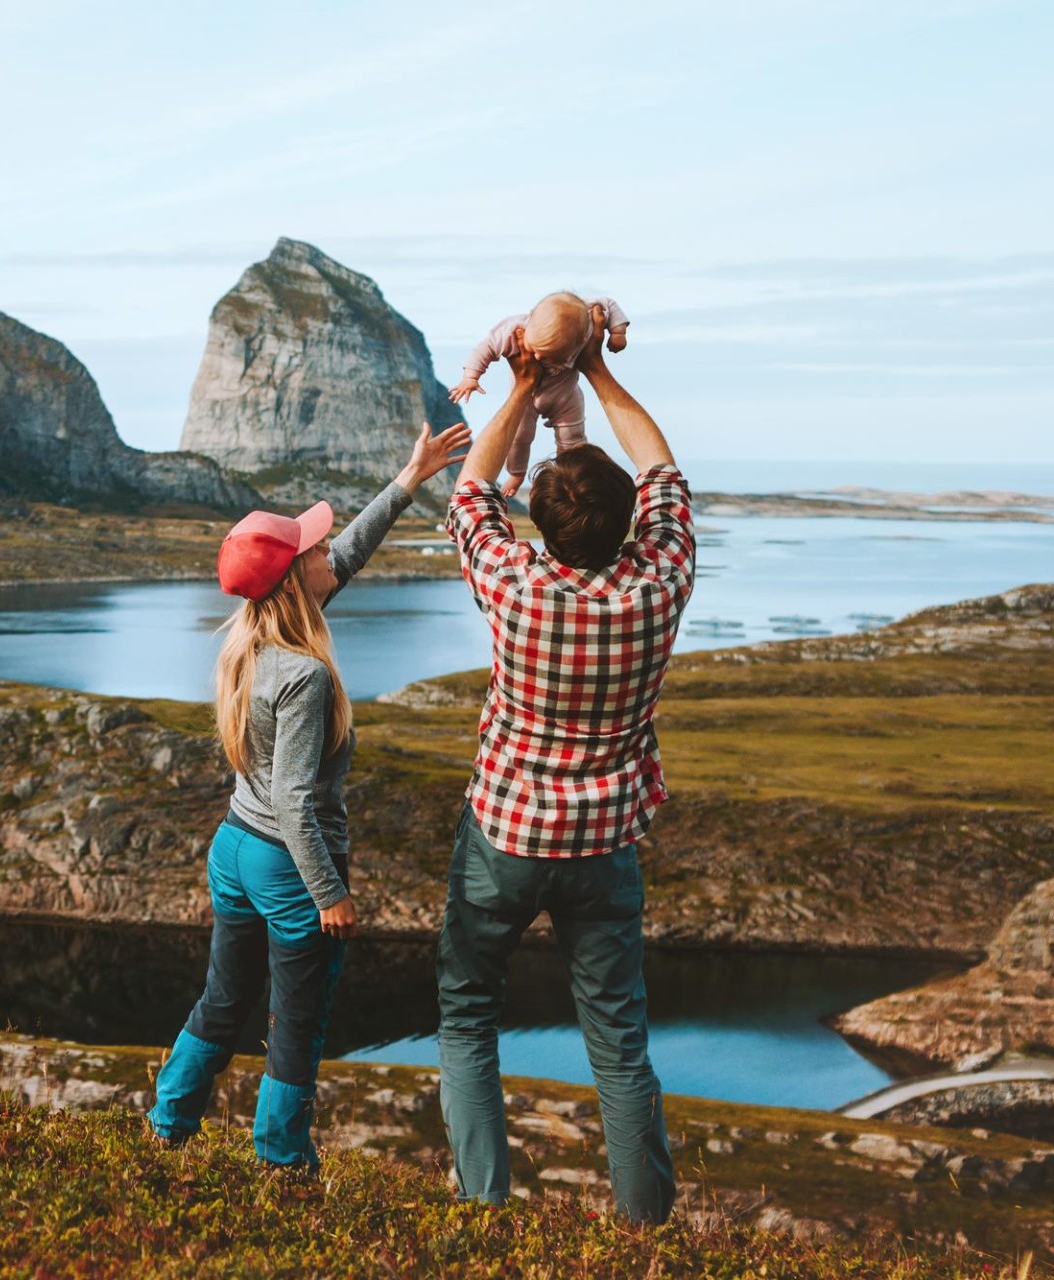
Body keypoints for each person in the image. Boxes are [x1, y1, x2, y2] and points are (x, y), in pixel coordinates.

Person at [147, 421, 473, 1172]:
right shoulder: (306, 674)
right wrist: (330, 893)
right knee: (296, 1022)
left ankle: (168, 1125)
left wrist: (408, 479)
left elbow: (344, 557)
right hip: (288, 864)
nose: (328, 551)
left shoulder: (253, 638)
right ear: (294, 578)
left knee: (223, 1000)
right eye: (313, 548)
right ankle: (282, 1160)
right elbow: (296, 800)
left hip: (233, 848)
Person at [437, 305, 693, 1224]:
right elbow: (662, 470)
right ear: (627, 523)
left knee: (466, 1014)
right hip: (603, 841)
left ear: (539, 522)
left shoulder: (513, 581)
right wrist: (599, 374)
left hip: (503, 830)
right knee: (618, 1043)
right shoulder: (655, 584)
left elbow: (470, 492)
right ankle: (642, 1232)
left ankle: (483, 1211)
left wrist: (517, 385)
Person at [449, 292, 630, 497]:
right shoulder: (513, 328)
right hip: (527, 400)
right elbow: (486, 348)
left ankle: (568, 475)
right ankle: (516, 473)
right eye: (534, 348)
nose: (536, 357)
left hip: (566, 396)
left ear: (579, 339)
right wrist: (471, 377)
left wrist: (618, 331)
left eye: (549, 356)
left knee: (572, 438)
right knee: (519, 438)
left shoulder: (584, 322)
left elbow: (609, 304)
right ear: (530, 318)